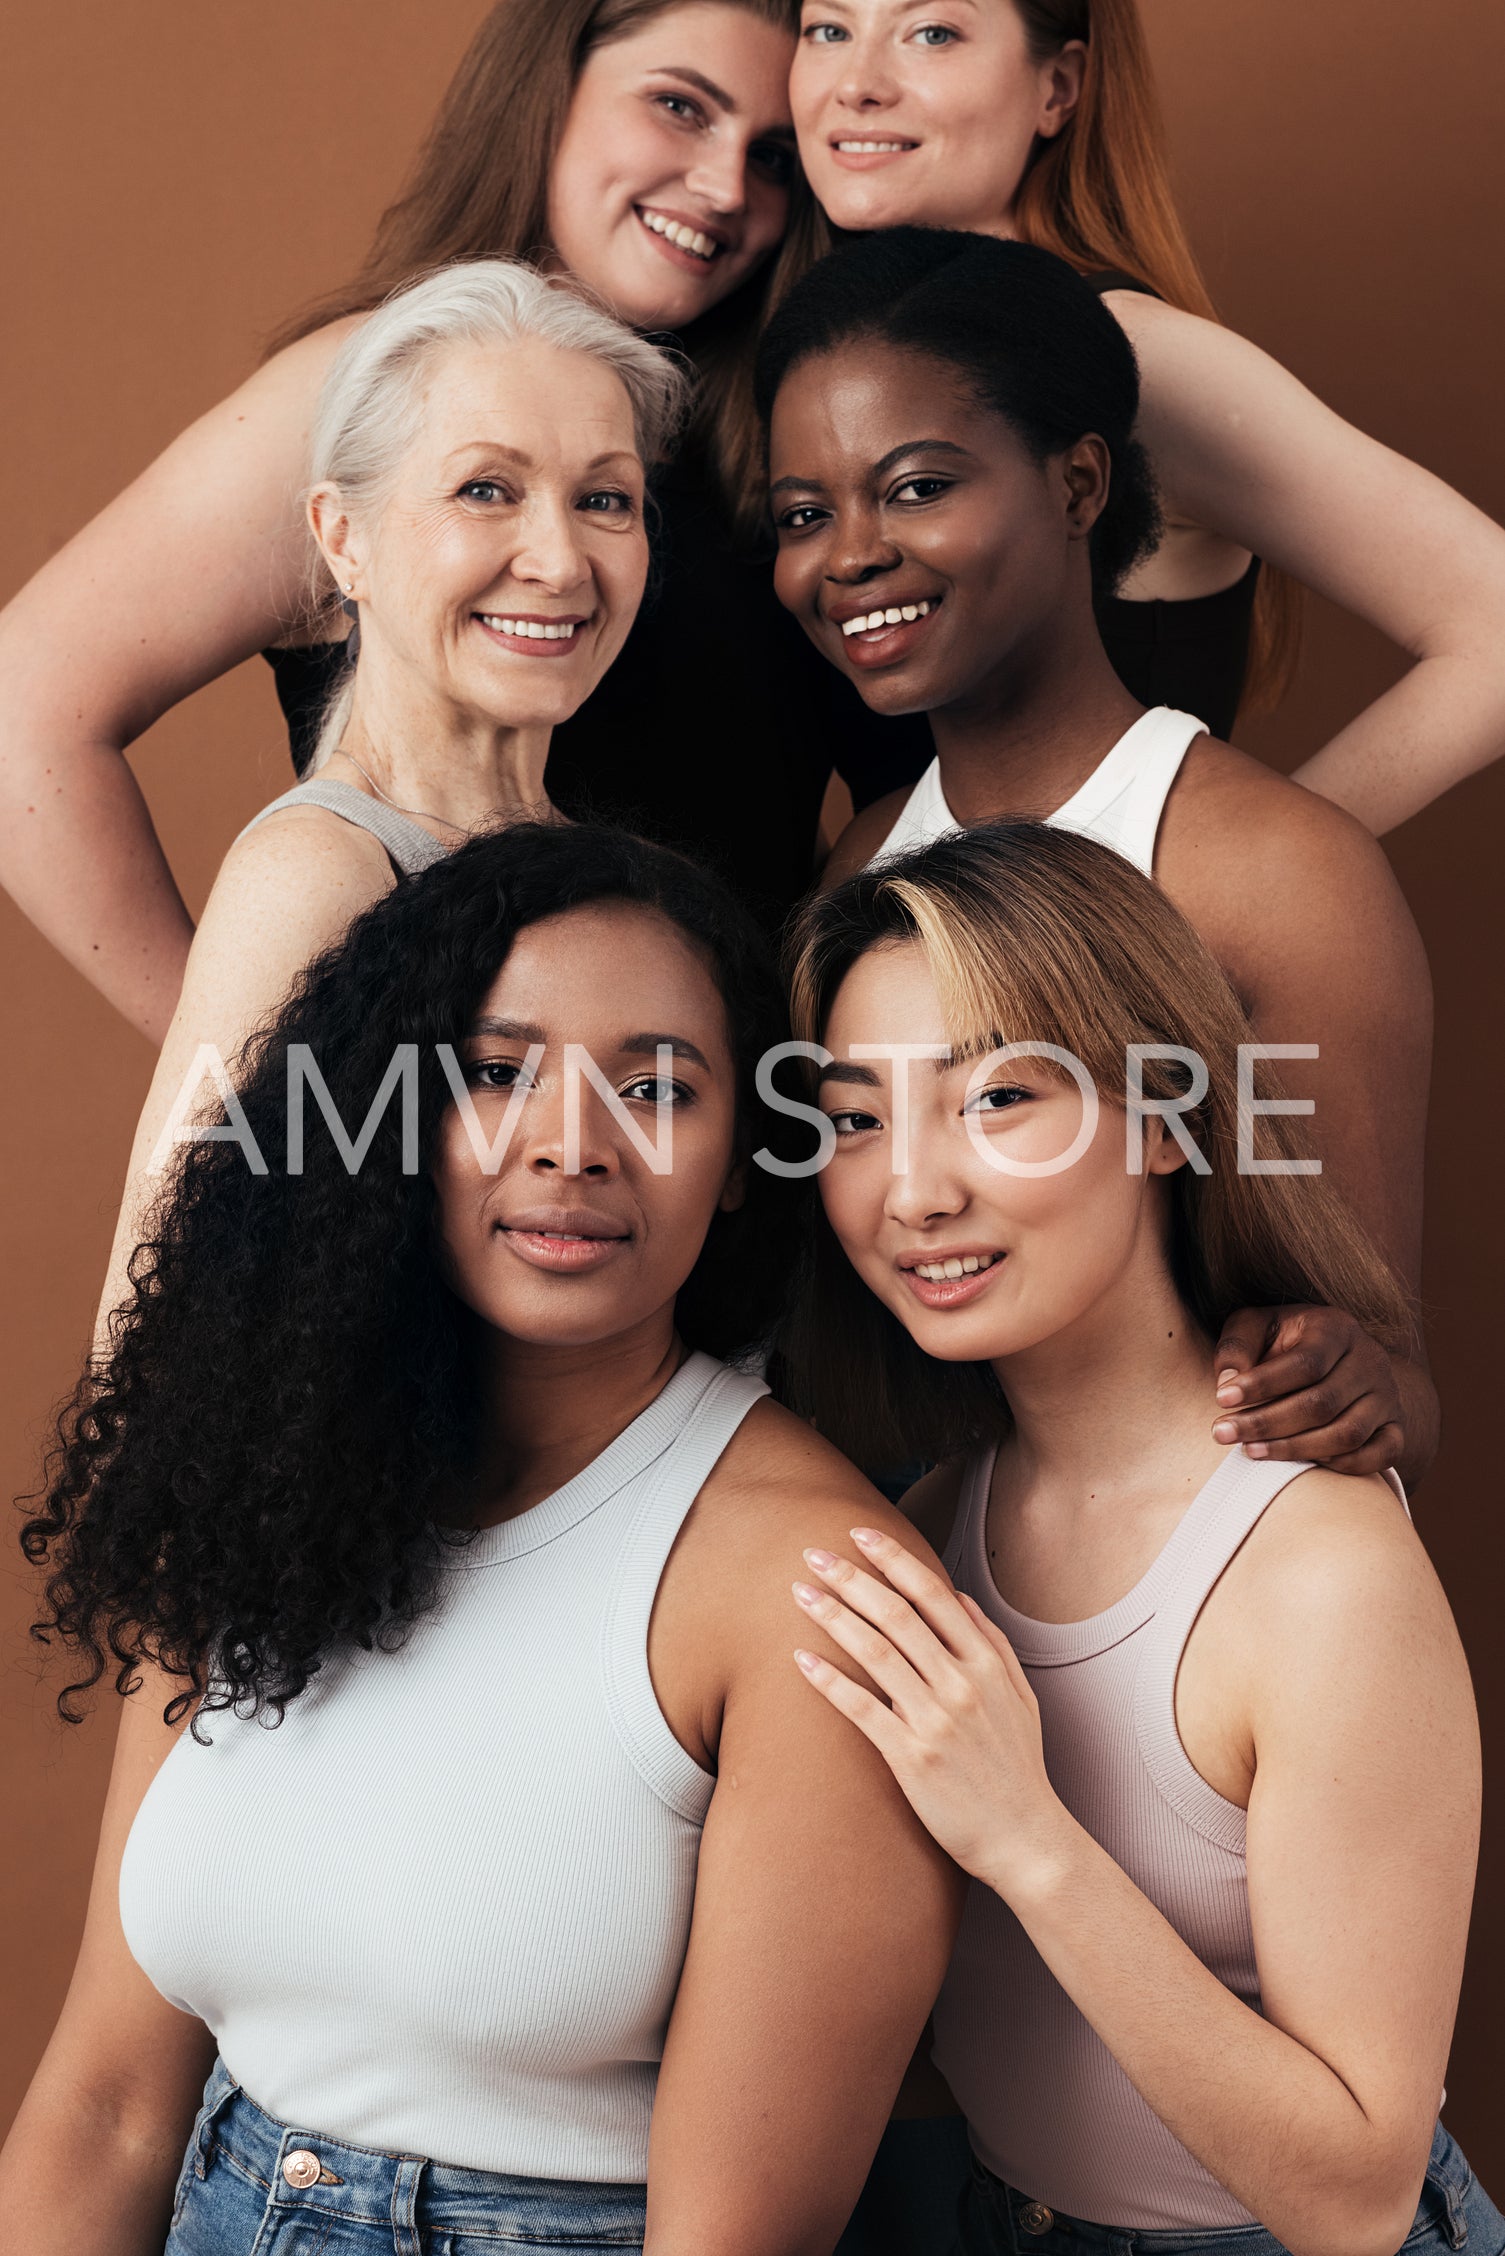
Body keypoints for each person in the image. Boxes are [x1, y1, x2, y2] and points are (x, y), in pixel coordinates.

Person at [3, 822, 961, 2256]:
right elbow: (110, 2107)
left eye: (658, 1085)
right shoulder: (256, 1476)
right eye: (496, 1072)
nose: (573, 1143)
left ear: (744, 1156)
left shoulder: (807, 1585)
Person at [782, 819, 1499, 2256]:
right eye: (857, 1118)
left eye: (995, 1098)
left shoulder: (1319, 1574)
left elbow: (1356, 2198)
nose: (912, 1191)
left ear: (1167, 1112)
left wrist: (1023, 1835)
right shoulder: (928, 1524)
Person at [0, 0, 919, 1047]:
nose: (721, 190)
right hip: (464, 1156)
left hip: (716, 1137)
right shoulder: (370, 386)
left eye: (771, 157)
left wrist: (800, 1047)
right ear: (549, 91)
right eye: (676, 107)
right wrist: (251, 1060)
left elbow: (888, 780)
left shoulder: (769, 437)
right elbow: (25, 708)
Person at [757, 227, 1438, 1490]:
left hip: (1199, 1580)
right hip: (934, 1571)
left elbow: (1386, 1374)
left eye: (914, 487)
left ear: (1077, 486)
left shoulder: (1277, 874)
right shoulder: (862, 865)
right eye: (805, 513)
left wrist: (1347, 1377)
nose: (847, 553)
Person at [88, 255, 684, 1335]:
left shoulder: (579, 865)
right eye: (485, 490)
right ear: (342, 538)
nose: (557, 558)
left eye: (603, 499)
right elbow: (150, 1344)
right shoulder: (319, 873)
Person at [788, 0, 1505, 831]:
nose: (857, 84)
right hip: (898, 947)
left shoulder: (1142, 361)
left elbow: (1493, 622)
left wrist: (1222, 888)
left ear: (1057, 88)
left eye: (932, 32)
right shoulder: (829, 371)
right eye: (828, 30)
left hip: (1085, 961)